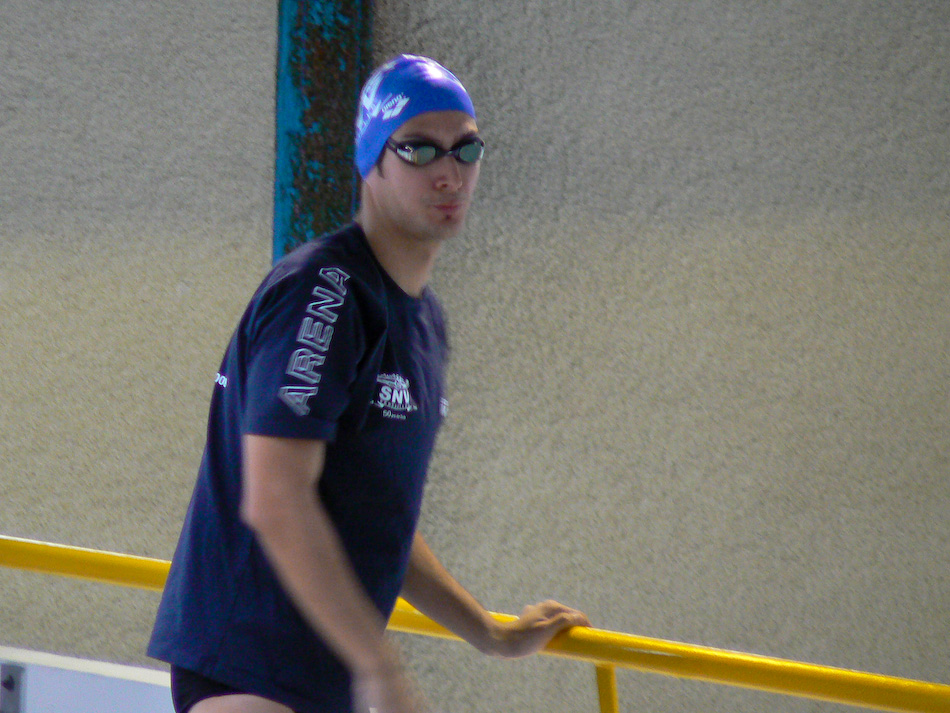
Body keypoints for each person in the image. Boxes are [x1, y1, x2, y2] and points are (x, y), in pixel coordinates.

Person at [148, 54, 589, 713]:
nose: (449, 173)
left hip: (324, 681)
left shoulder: (423, 321)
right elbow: (275, 497)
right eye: (418, 149)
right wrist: (378, 665)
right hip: (245, 666)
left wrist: (488, 633)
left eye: (467, 149)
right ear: (369, 160)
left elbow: (375, 517)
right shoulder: (322, 293)